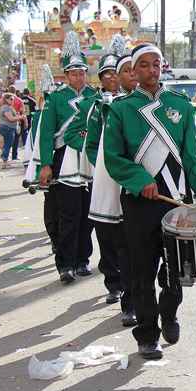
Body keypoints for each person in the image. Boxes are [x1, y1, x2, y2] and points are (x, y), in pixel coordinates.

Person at [103, 44, 196, 359]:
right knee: (142, 269)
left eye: (156, 64)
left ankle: (169, 313)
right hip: (140, 203)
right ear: (133, 70)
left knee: (176, 270)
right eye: (144, 65)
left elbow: (192, 157)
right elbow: (113, 158)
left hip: (175, 202)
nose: (152, 70)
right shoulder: (120, 109)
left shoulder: (181, 106)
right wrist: (141, 181)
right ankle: (147, 334)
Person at [64, 48, 136, 327]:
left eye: (131, 71)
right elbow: (86, 140)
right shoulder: (95, 105)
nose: (117, 79)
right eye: (112, 74)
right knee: (108, 236)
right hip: (105, 180)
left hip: (138, 184)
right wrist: (105, 166)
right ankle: (114, 284)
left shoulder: (143, 103)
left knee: (133, 243)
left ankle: (134, 298)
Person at [35, 34, 97, 283]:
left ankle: (83, 260)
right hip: (64, 159)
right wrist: (45, 165)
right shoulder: (56, 98)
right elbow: (46, 134)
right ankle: (65, 264)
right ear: (66, 74)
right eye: (73, 73)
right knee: (68, 213)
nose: (78, 77)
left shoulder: (95, 96)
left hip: (89, 158)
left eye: (81, 72)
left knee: (88, 213)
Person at [0, 93, 25, 169]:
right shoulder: (6, 107)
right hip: (7, 127)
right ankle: (4, 163)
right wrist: (20, 118)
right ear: (6, 99)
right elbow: (10, 118)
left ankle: (4, 159)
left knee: (7, 145)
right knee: (7, 145)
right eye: (11, 99)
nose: (13, 101)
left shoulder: (8, 107)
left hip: (10, 127)